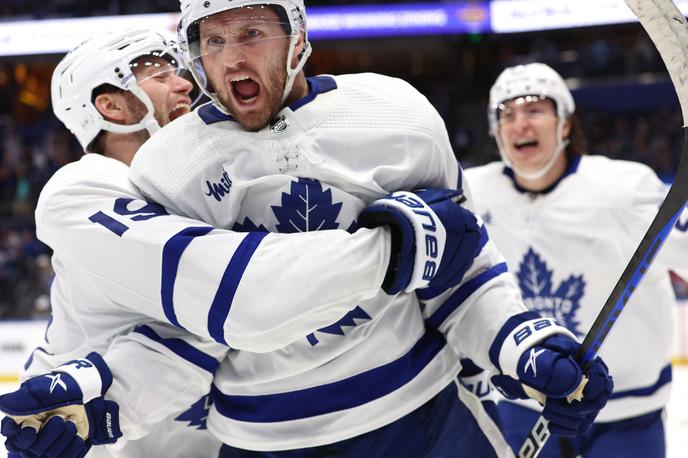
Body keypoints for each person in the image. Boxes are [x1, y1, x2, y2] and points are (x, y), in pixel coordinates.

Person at [2, 5, 612, 458]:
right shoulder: (168, 169)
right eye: (212, 40)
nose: (231, 59)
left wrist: (519, 342)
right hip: (262, 442)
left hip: (422, 418)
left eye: (251, 34)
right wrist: (106, 405)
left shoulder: (395, 113)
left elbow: (463, 275)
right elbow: (187, 339)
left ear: (296, 36)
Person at [0, 27, 443, 458]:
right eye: (158, 74)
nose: (183, 85)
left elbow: (196, 338)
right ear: (111, 105)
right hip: (87, 438)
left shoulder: (200, 181)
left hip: (193, 434)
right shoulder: (84, 189)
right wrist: (399, 242)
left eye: (178, 68)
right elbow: (241, 297)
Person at [464, 62, 688, 458]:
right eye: (507, 113)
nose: (520, 124)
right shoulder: (472, 193)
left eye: (534, 110)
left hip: (626, 407)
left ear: (565, 124)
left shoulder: (626, 190)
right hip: (526, 403)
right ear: (495, 130)